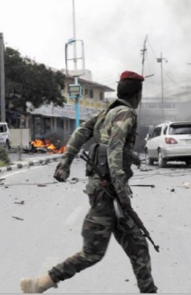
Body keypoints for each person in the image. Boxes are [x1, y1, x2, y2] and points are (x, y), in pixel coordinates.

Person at [20, 70, 157, 293]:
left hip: (104, 189)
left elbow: (81, 132)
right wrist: (122, 194)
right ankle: (41, 283)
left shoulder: (106, 113)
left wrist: (65, 162)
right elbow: (114, 149)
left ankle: (148, 291)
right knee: (93, 253)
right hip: (108, 193)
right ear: (138, 95)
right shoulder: (126, 114)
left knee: (138, 246)